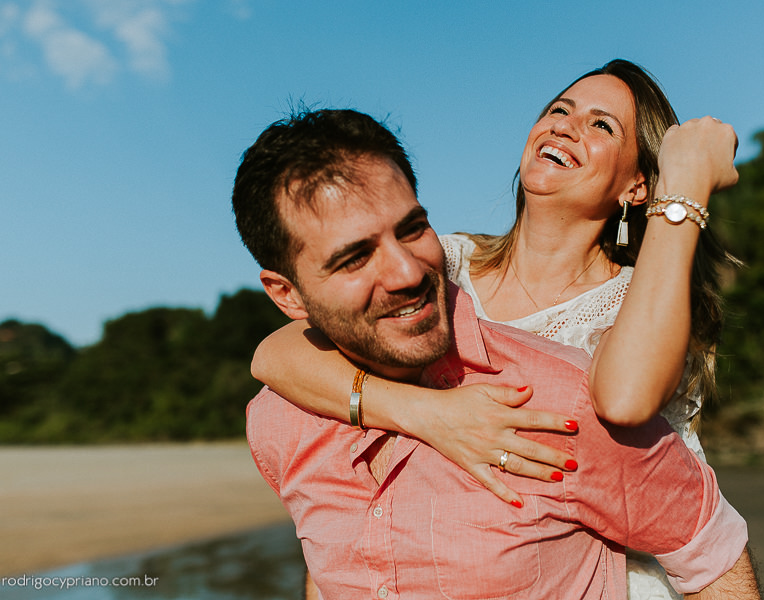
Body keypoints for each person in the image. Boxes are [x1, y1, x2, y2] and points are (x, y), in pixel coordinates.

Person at [250, 60, 739, 598]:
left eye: (603, 125)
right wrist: (428, 413)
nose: (565, 126)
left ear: (638, 186)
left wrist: (686, 187)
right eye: (559, 109)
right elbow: (275, 354)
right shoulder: (446, 262)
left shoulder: (640, 302)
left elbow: (623, 401)